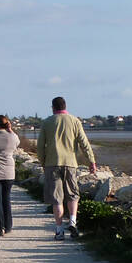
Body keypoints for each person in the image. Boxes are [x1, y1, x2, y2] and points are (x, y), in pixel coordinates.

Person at [36, 96, 97, 239]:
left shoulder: (47, 122)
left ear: (53, 107)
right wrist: (91, 161)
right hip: (70, 163)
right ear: (65, 106)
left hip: (52, 163)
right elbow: (84, 143)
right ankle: (72, 221)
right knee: (73, 195)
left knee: (57, 198)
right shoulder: (75, 121)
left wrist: (43, 162)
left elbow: (40, 147)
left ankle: (59, 230)